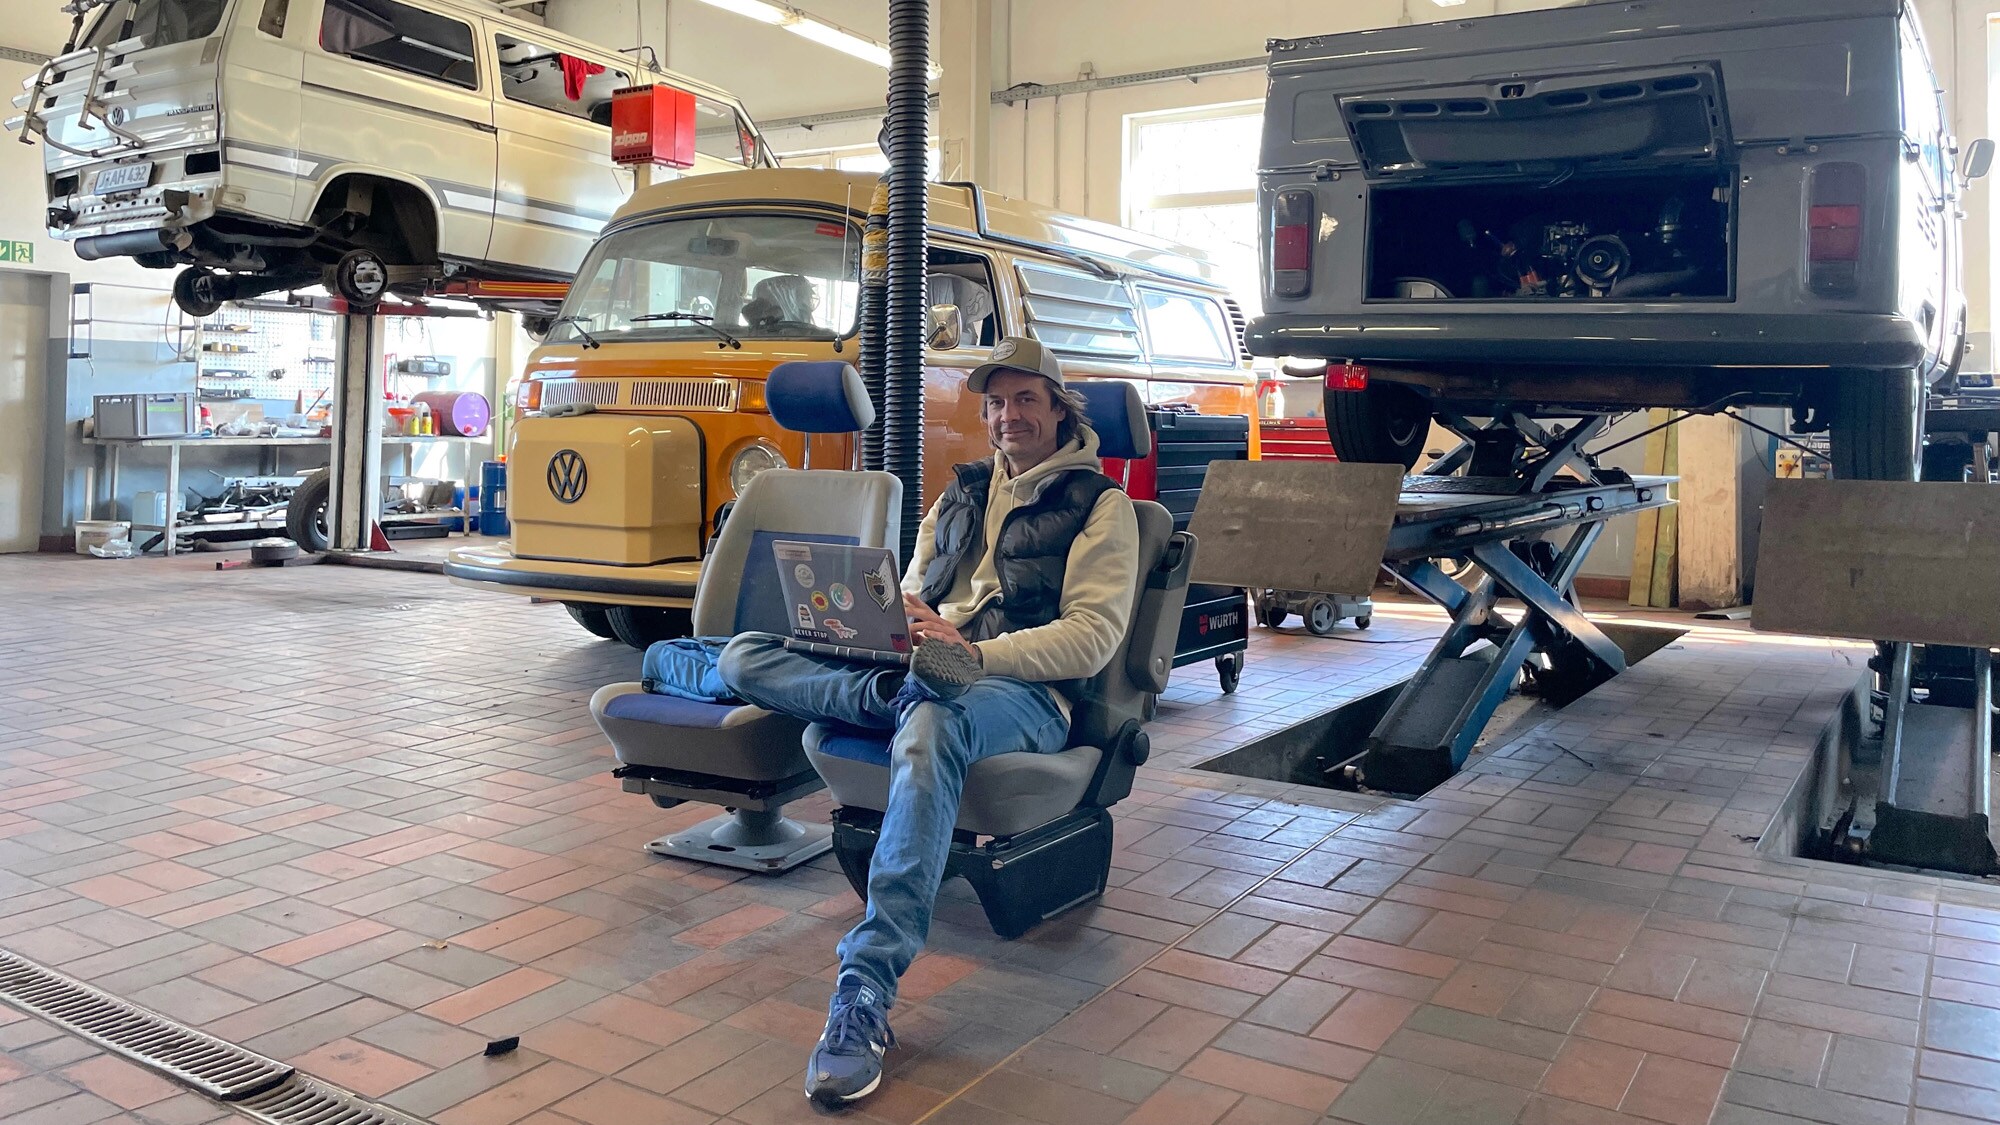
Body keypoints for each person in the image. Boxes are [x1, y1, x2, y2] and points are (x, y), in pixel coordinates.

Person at [718, 336, 1141, 1107]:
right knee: (743, 656)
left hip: (1022, 690)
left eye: (1025, 400)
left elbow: (1092, 638)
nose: (1008, 415)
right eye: (996, 403)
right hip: (919, 668)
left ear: (1058, 409)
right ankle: (890, 697)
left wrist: (975, 656)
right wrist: (897, 623)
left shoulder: (1102, 507)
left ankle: (865, 989)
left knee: (933, 723)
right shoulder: (958, 495)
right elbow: (910, 588)